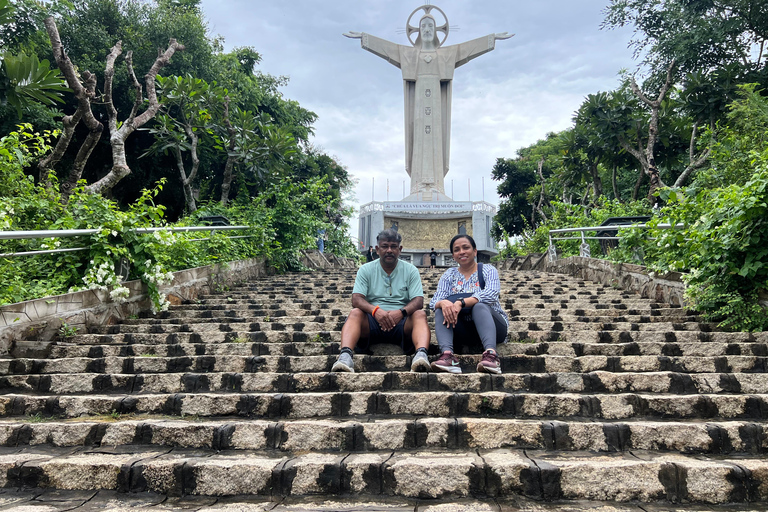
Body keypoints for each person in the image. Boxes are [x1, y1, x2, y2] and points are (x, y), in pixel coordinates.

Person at [344, 7, 512, 200]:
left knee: (435, 140)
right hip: (418, 107)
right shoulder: (409, 55)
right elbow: (387, 49)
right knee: (419, 140)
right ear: (417, 30)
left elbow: (467, 49)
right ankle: (418, 187)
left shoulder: (446, 55)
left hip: (436, 108)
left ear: (437, 30)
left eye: (430, 25)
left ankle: (436, 187)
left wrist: (491, 39)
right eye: (423, 25)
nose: (426, 29)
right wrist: (365, 38)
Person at [332, 229, 431, 373]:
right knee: (355, 313)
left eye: (393, 246)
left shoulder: (411, 270)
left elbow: (418, 301)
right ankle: (345, 356)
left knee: (420, 314)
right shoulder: (366, 270)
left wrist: (401, 313)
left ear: (400, 249)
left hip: (402, 323)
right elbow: (356, 299)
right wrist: (375, 311)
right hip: (372, 319)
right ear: (377, 249)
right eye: (385, 246)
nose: (389, 250)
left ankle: (421, 355)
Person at [429, 234, 508, 374]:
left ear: (475, 251)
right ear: (453, 255)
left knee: (479, 305)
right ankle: (447, 356)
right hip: (462, 329)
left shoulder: (487, 270)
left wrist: (462, 302)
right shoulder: (449, 275)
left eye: (466, 247)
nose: (462, 252)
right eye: (457, 250)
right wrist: (444, 303)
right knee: (441, 308)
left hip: (493, 328)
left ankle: (491, 355)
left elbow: (491, 293)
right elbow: (434, 301)